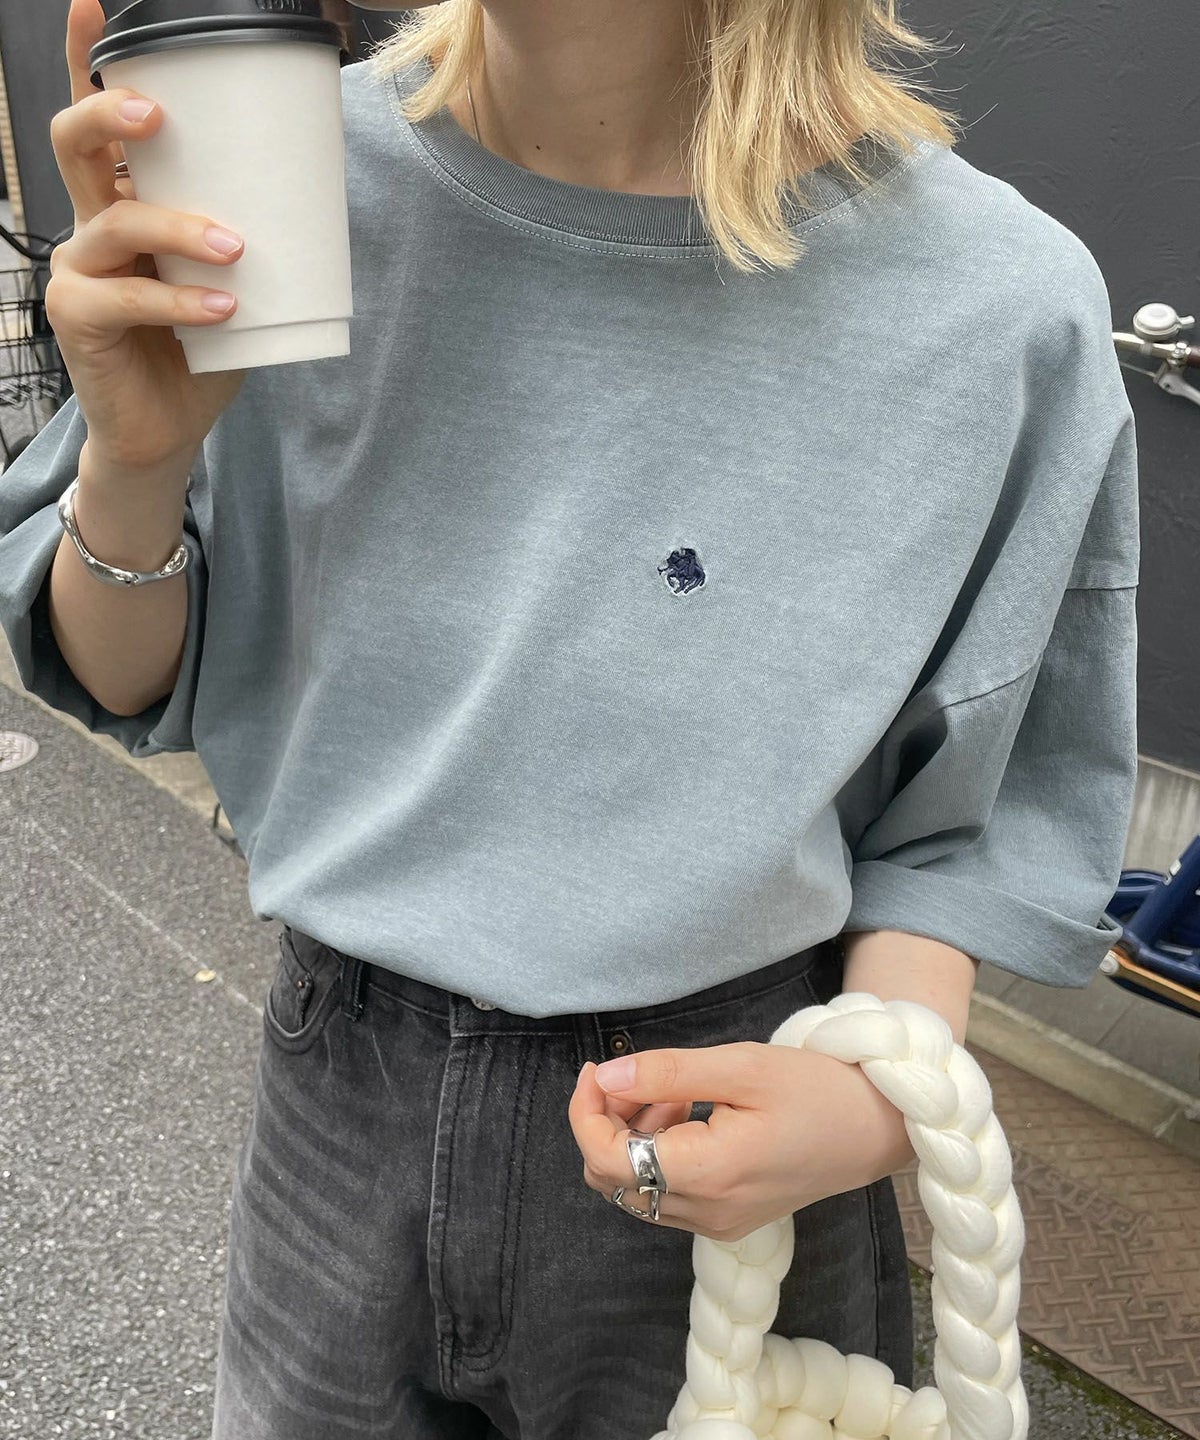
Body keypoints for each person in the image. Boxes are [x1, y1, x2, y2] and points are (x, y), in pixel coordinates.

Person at [0, 0, 1139, 1435]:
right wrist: (134, 465)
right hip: (336, 1102)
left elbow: (981, 809)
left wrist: (873, 1094)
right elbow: (119, 674)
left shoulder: (993, 302)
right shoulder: (275, 188)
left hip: (739, 1104)